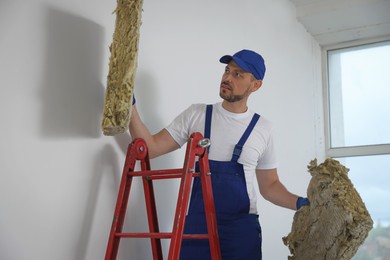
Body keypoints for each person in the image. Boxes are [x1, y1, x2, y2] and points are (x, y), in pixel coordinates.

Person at [129, 49, 309, 260]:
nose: (227, 78)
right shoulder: (196, 114)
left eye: (238, 74)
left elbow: (269, 186)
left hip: (240, 233)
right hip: (197, 227)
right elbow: (150, 148)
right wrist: (129, 107)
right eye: (227, 71)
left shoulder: (263, 128)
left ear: (255, 85)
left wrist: (299, 203)